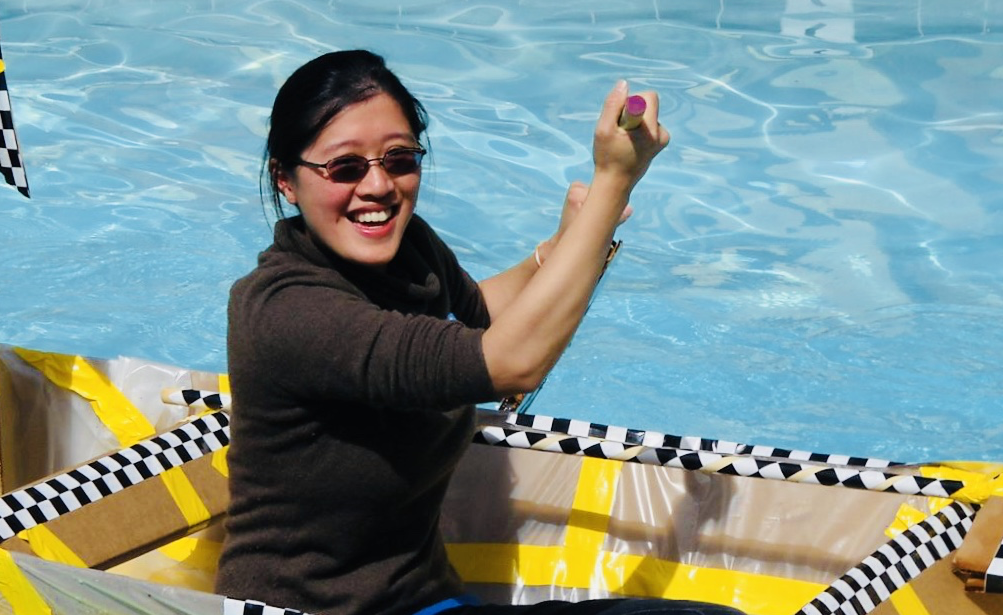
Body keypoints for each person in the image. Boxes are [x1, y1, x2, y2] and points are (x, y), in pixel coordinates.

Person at [216, 49, 743, 615]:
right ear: (286, 181)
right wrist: (614, 179)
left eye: (399, 159)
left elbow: (477, 319)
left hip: (427, 601)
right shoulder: (286, 310)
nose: (378, 187)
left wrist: (564, 246)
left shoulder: (409, 250)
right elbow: (509, 361)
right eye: (345, 167)